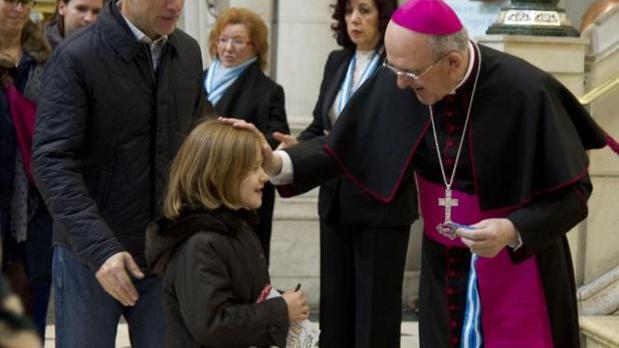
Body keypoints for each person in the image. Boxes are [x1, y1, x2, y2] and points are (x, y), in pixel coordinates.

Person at [222, 0, 618, 347]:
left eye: (409, 74)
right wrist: (276, 163)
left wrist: (513, 230)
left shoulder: (525, 91)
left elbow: (576, 193)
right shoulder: (404, 76)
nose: (397, 83)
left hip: (518, 269)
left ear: (453, 62)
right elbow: (341, 148)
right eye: (394, 69)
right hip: (442, 265)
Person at [32, 0, 205, 346]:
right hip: (89, 255)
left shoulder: (186, 51)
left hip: (163, 251)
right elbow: (52, 160)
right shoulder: (76, 56)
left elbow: (198, 132)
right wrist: (100, 249)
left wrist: (237, 143)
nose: (176, 6)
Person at [273, 0, 416, 347]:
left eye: (365, 10)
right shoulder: (338, 61)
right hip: (335, 200)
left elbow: (393, 135)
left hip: (380, 204)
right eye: (350, 10)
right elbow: (323, 127)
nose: (355, 19)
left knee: (374, 317)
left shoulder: (398, 66)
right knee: (336, 310)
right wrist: (298, 146)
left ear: (383, 17)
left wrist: (317, 148)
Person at [145, 120, 309, 348]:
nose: (264, 176)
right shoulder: (199, 244)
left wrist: (280, 300)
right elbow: (212, 325)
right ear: (218, 175)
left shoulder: (238, 229)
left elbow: (245, 294)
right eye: (254, 168)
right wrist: (281, 310)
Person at [203, 7, 290, 261]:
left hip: (242, 190)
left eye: (238, 41)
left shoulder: (268, 90)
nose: (228, 48)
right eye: (223, 39)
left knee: (242, 261)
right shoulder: (196, 80)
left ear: (255, 47)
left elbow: (274, 137)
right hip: (202, 187)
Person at [0, 0, 53, 340]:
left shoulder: (46, 60)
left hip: (36, 202)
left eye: (27, 1)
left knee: (33, 294)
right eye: (10, 0)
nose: (19, 8)